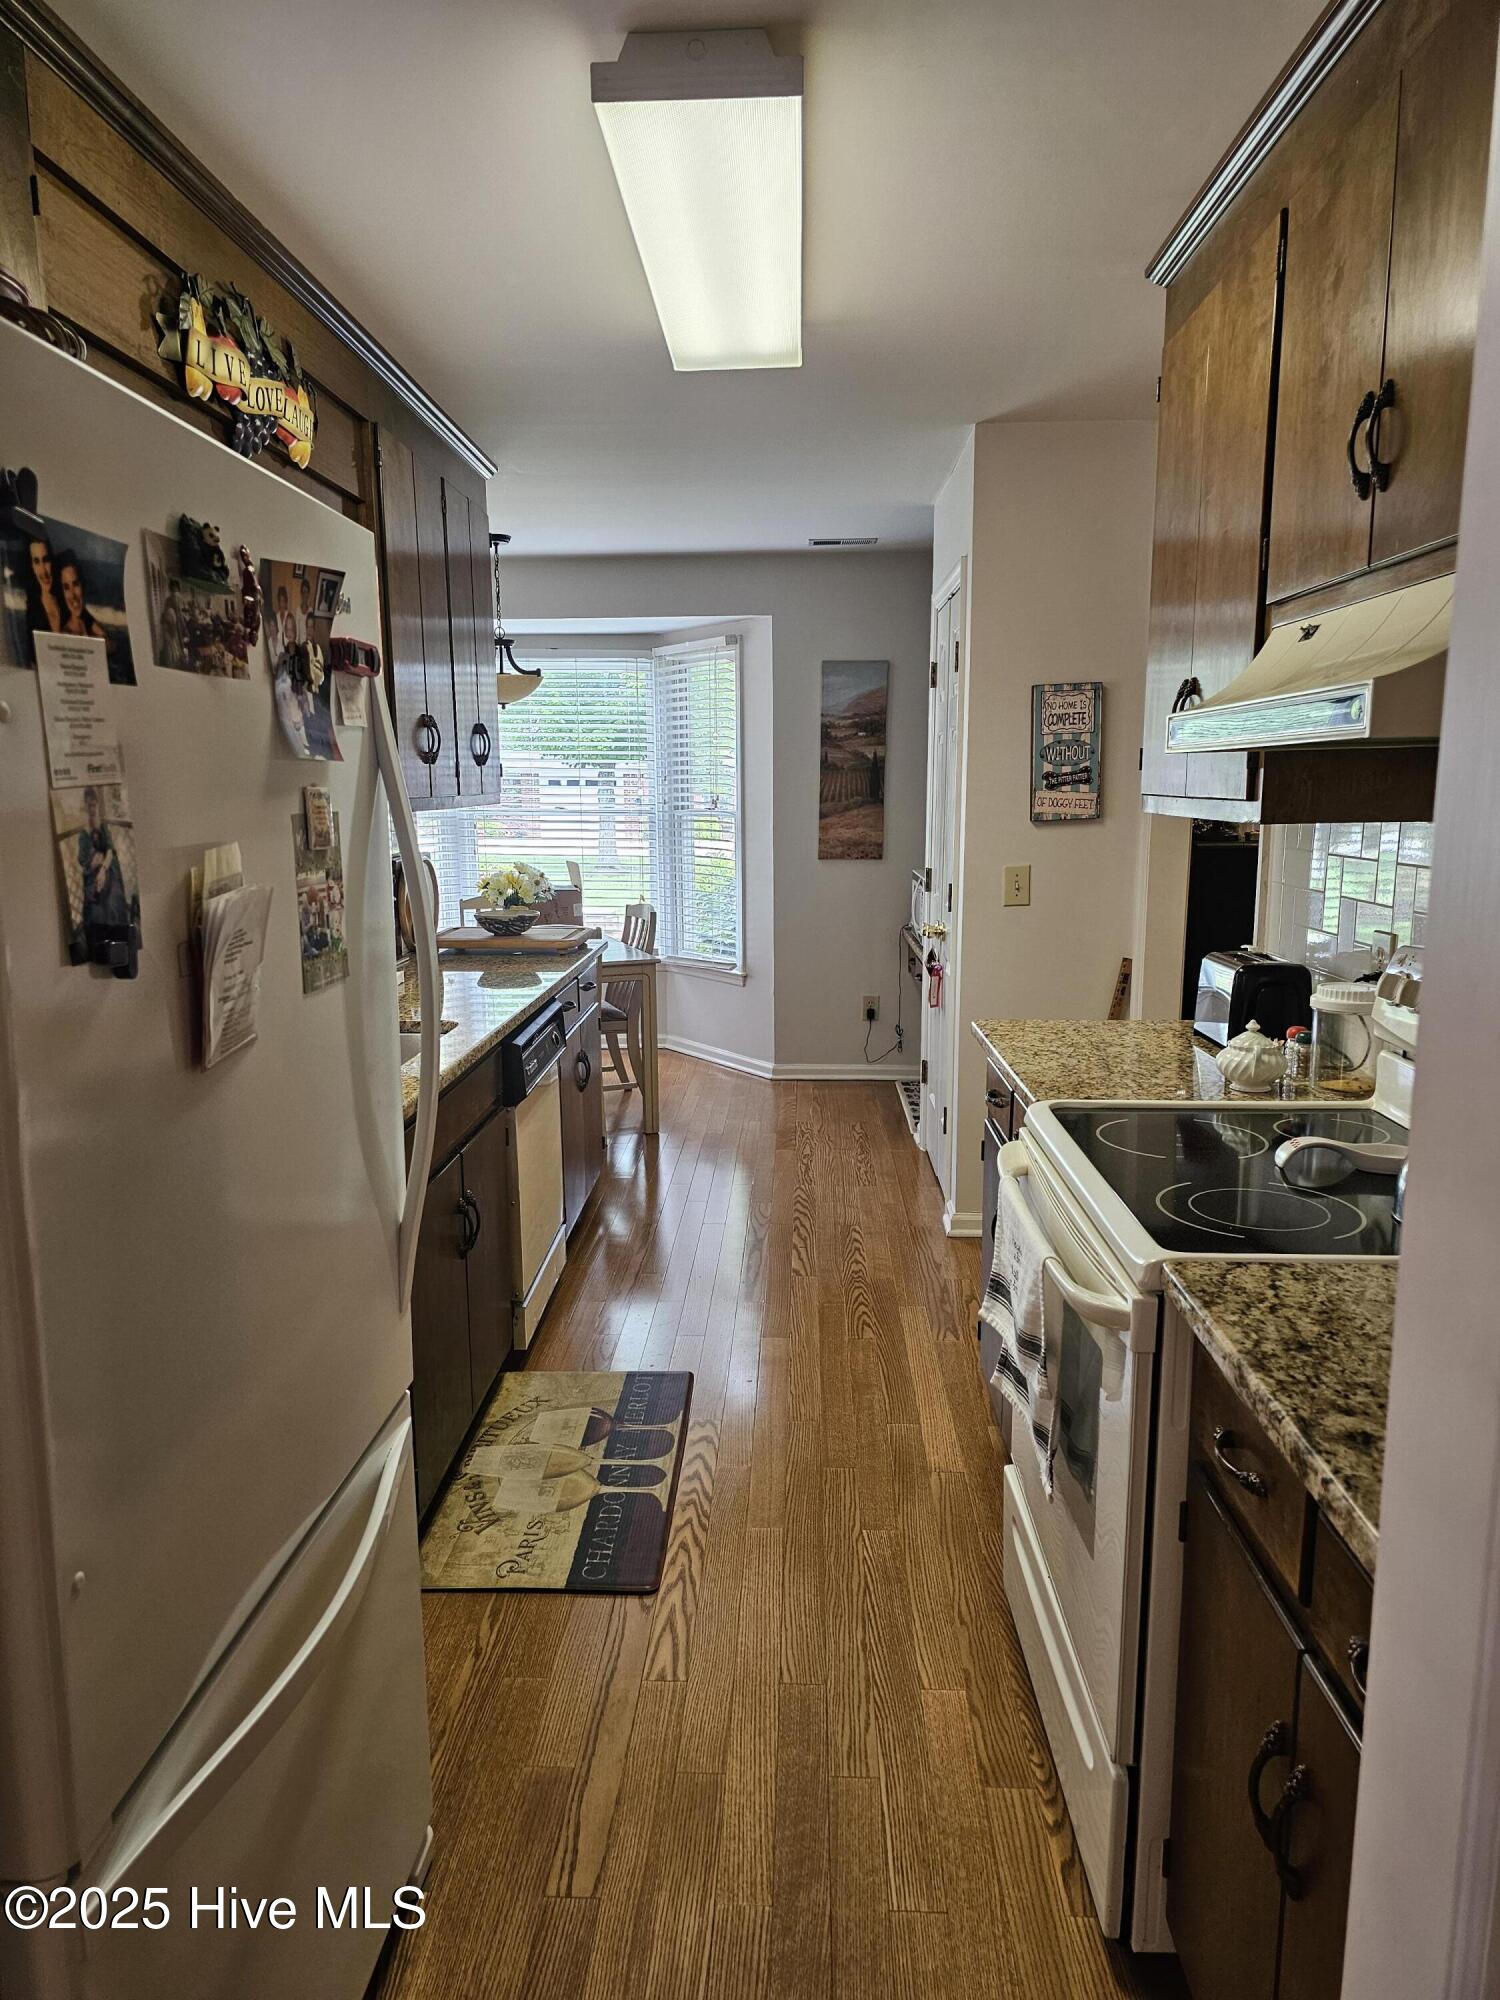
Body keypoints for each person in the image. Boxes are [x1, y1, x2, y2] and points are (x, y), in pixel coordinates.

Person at [76, 787, 130, 940]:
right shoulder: (83, 832)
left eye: (94, 804)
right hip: (92, 873)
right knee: (95, 906)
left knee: (114, 897)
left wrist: (103, 869)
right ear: (84, 807)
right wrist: (93, 862)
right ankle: (100, 941)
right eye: (88, 805)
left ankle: (118, 939)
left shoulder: (103, 826)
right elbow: (83, 859)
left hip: (107, 869)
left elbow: (110, 851)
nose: (91, 808)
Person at [21, 535, 62, 655]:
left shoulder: (66, 602)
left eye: (46, 560)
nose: (43, 571)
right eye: (37, 561)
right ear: (32, 567)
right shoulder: (33, 611)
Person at [56, 554, 105, 640]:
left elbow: (112, 646)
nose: (73, 595)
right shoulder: (65, 632)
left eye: (75, 584)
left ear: (83, 585)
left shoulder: (87, 621)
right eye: (66, 588)